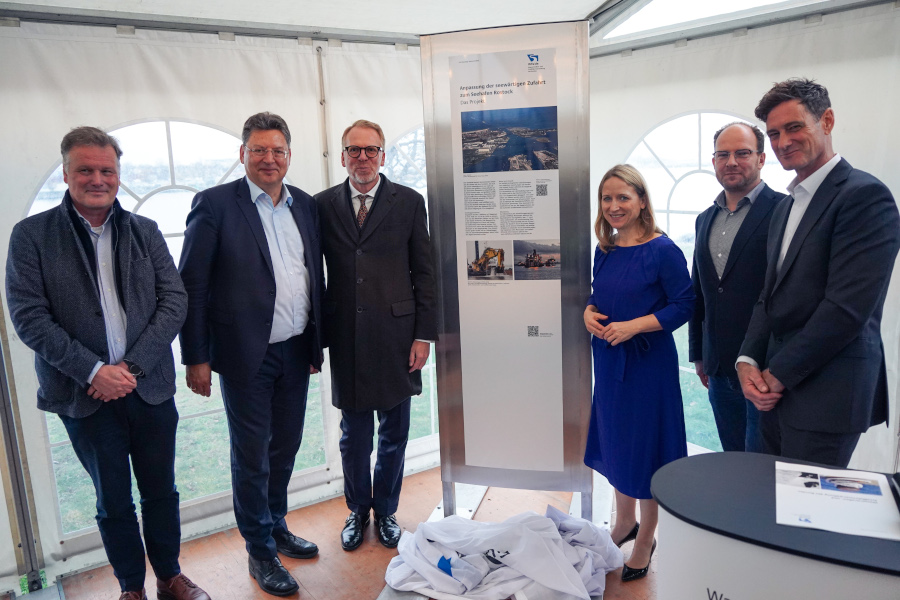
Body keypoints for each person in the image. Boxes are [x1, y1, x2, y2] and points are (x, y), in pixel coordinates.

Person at [6, 127, 210, 600]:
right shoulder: (32, 237)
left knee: (162, 492)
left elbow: (173, 301)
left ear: (118, 175)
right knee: (112, 501)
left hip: (149, 388)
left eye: (107, 170)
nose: (97, 178)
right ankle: (130, 589)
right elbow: (29, 318)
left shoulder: (145, 231)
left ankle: (169, 578)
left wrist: (131, 367)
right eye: (86, 169)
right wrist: (94, 371)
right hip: (84, 395)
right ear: (66, 173)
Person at [178, 112, 324, 596]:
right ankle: (259, 551)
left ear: (289, 155)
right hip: (246, 357)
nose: (268, 158)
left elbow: (309, 277)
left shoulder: (304, 205)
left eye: (277, 150)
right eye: (259, 150)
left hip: (296, 348)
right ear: (243, 154)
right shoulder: (216, 205)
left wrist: (315, 340)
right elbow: (192, 286)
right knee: (252, 455)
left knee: (286, 446)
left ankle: (276, 524)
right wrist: (195, 356)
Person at [737, 78, 900, 467]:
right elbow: (769, 296)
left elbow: (846, 310)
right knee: (772, 509)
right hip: (773, 392)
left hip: (827, 394)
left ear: (826, 121)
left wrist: (776, 376)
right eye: (774, 133)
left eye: (794, 127)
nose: (782, 142)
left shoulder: (864, 196)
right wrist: (747, 360)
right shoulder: (785, 205)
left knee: (807, 521)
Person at [315, 119, 437, 552]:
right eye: (354, 150)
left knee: (394, 432)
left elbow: (424, 272)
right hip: (346, 336)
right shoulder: (322, 205)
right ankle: (357, 510)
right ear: (343, 154)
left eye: (371, 150)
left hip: (398, 337)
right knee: (353, 436)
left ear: (383, 156)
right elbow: (314, 276)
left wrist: (424, 334)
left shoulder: (408, 202)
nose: (362, 158)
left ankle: (385, 511)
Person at [583, 164, 693, 582]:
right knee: (616, 441)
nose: (614, 206)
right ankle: (624, 520)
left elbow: (684, 305)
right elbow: (600, 295)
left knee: (647, 448)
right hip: (609, 361)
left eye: (623, 197)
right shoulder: (605, 248)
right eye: (607, 199)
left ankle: (647, 535)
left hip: (648, 364)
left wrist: (634, 325)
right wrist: (588, 313)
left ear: (642, 200)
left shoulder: (662, 249)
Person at [689, 122, 784, 452]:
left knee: (763, 469)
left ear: (760, 159)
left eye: (742, 153)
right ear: (713, 161)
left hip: (766, 370)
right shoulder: (704, 219)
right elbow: (699, 291)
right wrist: (699, 355)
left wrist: (779, 365)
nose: (731, 161)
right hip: (718, 369)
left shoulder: (785, 212)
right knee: (733, 461)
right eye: (723, 154)